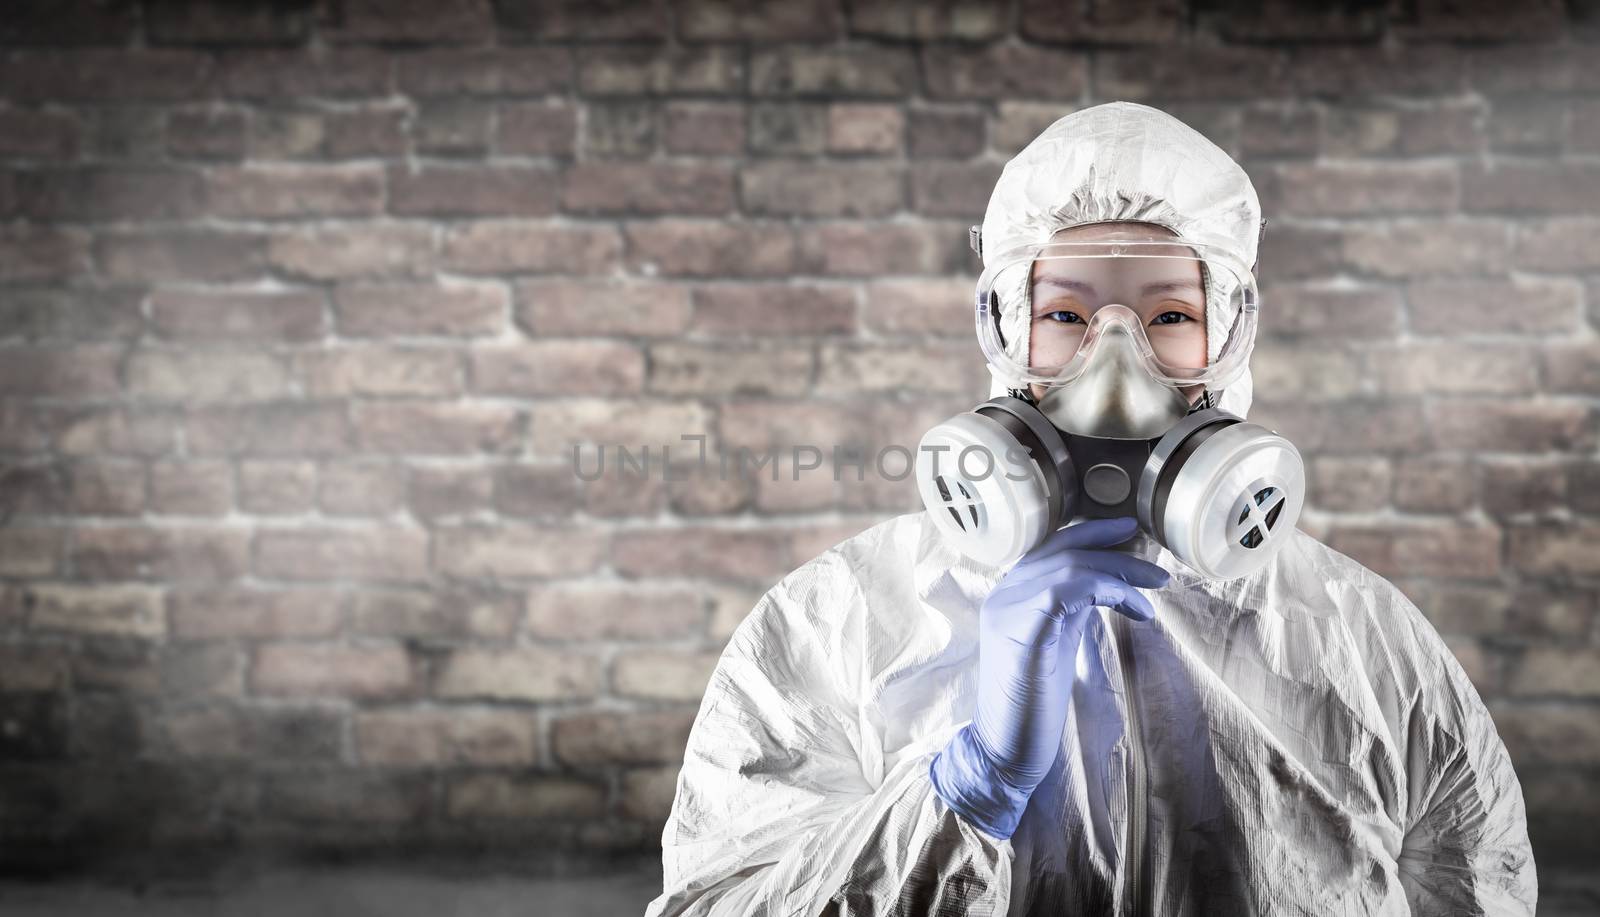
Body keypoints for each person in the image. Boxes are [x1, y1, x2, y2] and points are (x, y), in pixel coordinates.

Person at [642, 102, 1537, 916]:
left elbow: (1478, 886)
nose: (1118, 365)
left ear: (1227, 336)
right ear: (1004, 329)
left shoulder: (1366, 639)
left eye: (1170, 317)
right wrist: (971, 783)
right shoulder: (834, 622)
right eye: (1066, 316)